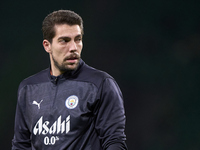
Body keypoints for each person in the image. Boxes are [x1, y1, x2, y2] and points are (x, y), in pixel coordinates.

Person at [12, 10, 127, 150]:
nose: (73, 48)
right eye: (64, 41)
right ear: (47, 45)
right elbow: (21, 145)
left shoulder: (100, 84)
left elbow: (114, 142)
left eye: (78, 39)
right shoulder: (28, 88)